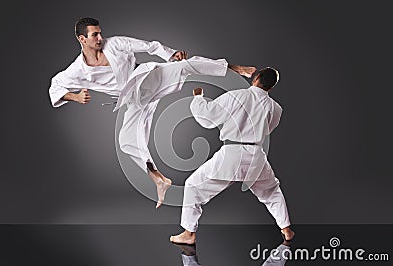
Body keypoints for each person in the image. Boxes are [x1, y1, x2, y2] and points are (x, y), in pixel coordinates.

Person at [48, 17, 256, 208]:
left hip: (147, 77)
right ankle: (158, 179)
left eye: (101, 33)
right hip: (134, 98)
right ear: (82, 39)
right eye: (95, 35)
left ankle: (234, 68)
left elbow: (149, 46)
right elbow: (55, 85)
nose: (101, 38)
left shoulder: (115, 44)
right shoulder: (77, 70)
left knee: (185, 66)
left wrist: (170, 54)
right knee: (126, 141)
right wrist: (74, 97)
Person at [170, 67, 295, 244]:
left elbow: (208, 116)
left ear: (256, 77)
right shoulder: (275, 108)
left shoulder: (237, 96)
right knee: (272, 192)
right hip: (256, 156)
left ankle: (189, 233)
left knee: (192, 186)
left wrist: (198, 98)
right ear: (271, 87)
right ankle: (286, 229)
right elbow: (267, 129)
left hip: (231, 154)